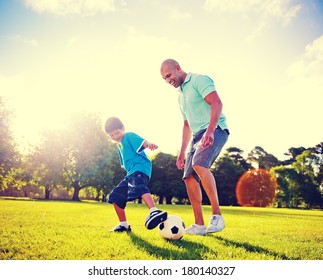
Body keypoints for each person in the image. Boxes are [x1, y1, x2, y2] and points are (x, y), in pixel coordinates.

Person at [160, 59, 229, 236]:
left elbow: (217, 103)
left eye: (169, 75)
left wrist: (211, 131)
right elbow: (186, 125)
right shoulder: (180, 96)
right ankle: (199, 225)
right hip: (197, 134)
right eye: (164, 79)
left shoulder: (199, 80)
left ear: (178, 68)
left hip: (216, 129)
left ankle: (217, 216)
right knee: (188, 176)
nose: (168, 80)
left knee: (199, 164)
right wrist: (182, 152)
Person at [105, 116, 167, 232]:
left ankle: (154, 211)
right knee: (115, 196)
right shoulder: (119, 145)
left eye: (117, 133)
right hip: (131, 173)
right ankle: (124, 225)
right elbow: (125, 163)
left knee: (137, 184)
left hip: (140, 168)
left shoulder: (128, 136)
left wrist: (148, 144)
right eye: (111, 135)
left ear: (123, 128)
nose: (115, 137)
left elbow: (142, 142)